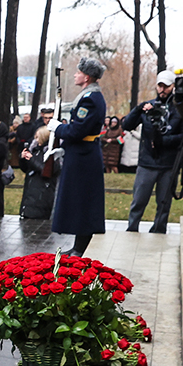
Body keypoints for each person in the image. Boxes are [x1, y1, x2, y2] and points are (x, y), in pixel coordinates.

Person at [50, 57, 107, 257]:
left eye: (78, 72)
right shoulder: (87, 96)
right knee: (80, 201)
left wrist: (59, 128)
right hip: (81, 153)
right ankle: (77, 247)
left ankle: (79, 249)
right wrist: (64, 148)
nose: (75, 74)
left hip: (84, 157)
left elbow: (77, 130)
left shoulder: (90, 98)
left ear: (87, 77)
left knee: (83, 202)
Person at [124, 69, 183, 233]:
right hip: (147, 163)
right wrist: (139, 109)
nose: (162, 90)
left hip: (169, 164)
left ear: (173, 86)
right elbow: (126, 125)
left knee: (164, 203)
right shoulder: (148, 106)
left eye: (166, 86)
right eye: (160, 86)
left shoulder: (180, 110)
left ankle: (159, 231)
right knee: (139, 200)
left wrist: (163, 142)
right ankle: (132, 228)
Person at [19, 126, 60, 219]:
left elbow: (46, 171)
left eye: (38, 137)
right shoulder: (35, 150)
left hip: (42, 193)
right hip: (31, 191)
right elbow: (25, 168)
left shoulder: (52, 155)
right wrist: (23, 158)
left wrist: (31, 159)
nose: (35, 140)